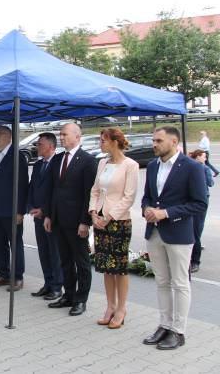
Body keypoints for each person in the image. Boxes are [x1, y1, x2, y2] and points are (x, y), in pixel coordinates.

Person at [141, 126, 207, 350]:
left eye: (159, 140)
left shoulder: (191, 167)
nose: (154, 144)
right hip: (154, 232)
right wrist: (146, 209)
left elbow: (199, 203)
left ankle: (178, 331)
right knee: (161, 282)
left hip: (178, 233)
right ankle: (164, 324)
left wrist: (166, 213)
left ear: (174, 142)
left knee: (180, 283)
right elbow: (147, 196)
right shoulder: (152, 166)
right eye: (153, 140)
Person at [44, 123, 97, 316]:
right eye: (60, 134)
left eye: (65, 134)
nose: (62, 138)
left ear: (77, 136)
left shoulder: (88, 161)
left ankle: (81, 300)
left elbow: (88, 195)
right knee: (64, 260)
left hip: (76, 222)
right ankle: (68, 295)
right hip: (58, 219)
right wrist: (49, 215)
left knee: (81, 262)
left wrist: (85, 222)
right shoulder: (58, 159)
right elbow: (52, 190)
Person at [88, 128, 139, 329]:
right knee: (106, 267)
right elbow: (95, 190)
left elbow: (129, 197)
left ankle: (121, 308)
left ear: (115, 142)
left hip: (118, 221)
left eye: (103, 140)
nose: (100, 143)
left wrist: (108, 217)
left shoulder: (130, 165)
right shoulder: (102, 163)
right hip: (99, 220)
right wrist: (93, 213)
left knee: (119, 268)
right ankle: (110, 306)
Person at [0, 126, 29, 291]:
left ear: (9, 137)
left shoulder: (16, 156)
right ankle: (4, 274)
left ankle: (17, 276)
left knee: (15, 244)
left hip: (11, 210)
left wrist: (20, 211)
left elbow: (22, 185)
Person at [27, 132, 63, 301]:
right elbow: (32, 187)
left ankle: (57, 286)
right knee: (43, 251)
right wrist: (31, 206)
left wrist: (44, 210)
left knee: (54, 252)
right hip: (38, 216)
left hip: (52, 216)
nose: (37, 147)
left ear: (50, 146)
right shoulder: (38, 164)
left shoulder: (59, 163)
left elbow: (56, 191)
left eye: (40, 144)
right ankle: (48, 283)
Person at [189, 149, 214, 273]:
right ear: (198, 156)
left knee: (195, 232)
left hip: (197, 202)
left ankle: (195, 261)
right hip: (200, 200)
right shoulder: (204, 168)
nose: (205, 159)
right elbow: (211, 183)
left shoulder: (192, 166)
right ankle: (194, 261)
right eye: (204, 157)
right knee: (195, 231)